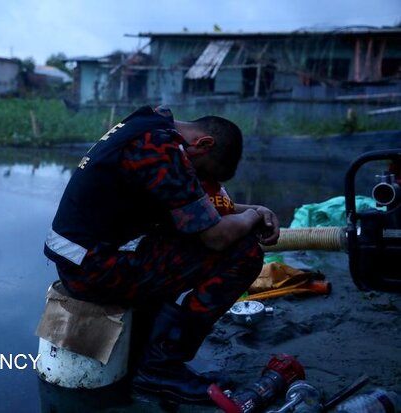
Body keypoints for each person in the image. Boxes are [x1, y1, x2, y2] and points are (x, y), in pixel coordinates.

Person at [44, 105, 280, 403]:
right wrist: (255, 217)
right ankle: (160, 368)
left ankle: (148, 349)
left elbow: (200, 209)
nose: (198, 182)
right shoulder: (160, 148)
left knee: (182, 239)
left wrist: (254, 211)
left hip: (86, 257)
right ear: (204, 144)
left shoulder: (149, 126)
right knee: (243, 252)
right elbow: (217, 236)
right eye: (201, 174)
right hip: (94, 268)